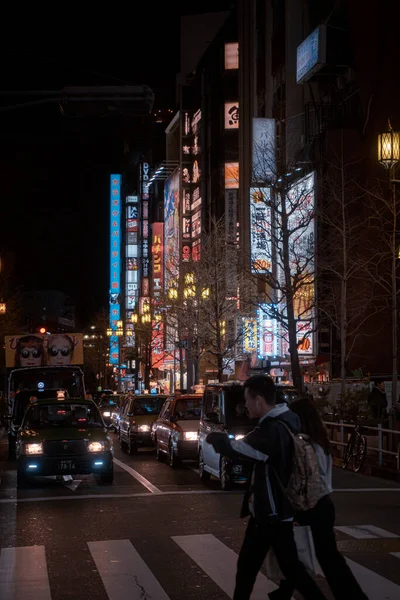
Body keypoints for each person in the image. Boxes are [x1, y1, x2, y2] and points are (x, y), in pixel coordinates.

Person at [206, 375, 327, 600]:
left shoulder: (273, 430)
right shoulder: (284, 422)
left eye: (247, 400)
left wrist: (217, 439)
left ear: (259, 400)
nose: (245, 406)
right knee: (258, 567)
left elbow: (240, 449)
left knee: (272, 568)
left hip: (272, 512)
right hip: (270, 511)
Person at [272, 397, 368, 600]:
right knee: (320, 556)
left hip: (311, 504)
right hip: (324, 503)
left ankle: (353, 597)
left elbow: (304, 480)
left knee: (302, 554)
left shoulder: (303, 445)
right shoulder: (320, 442)